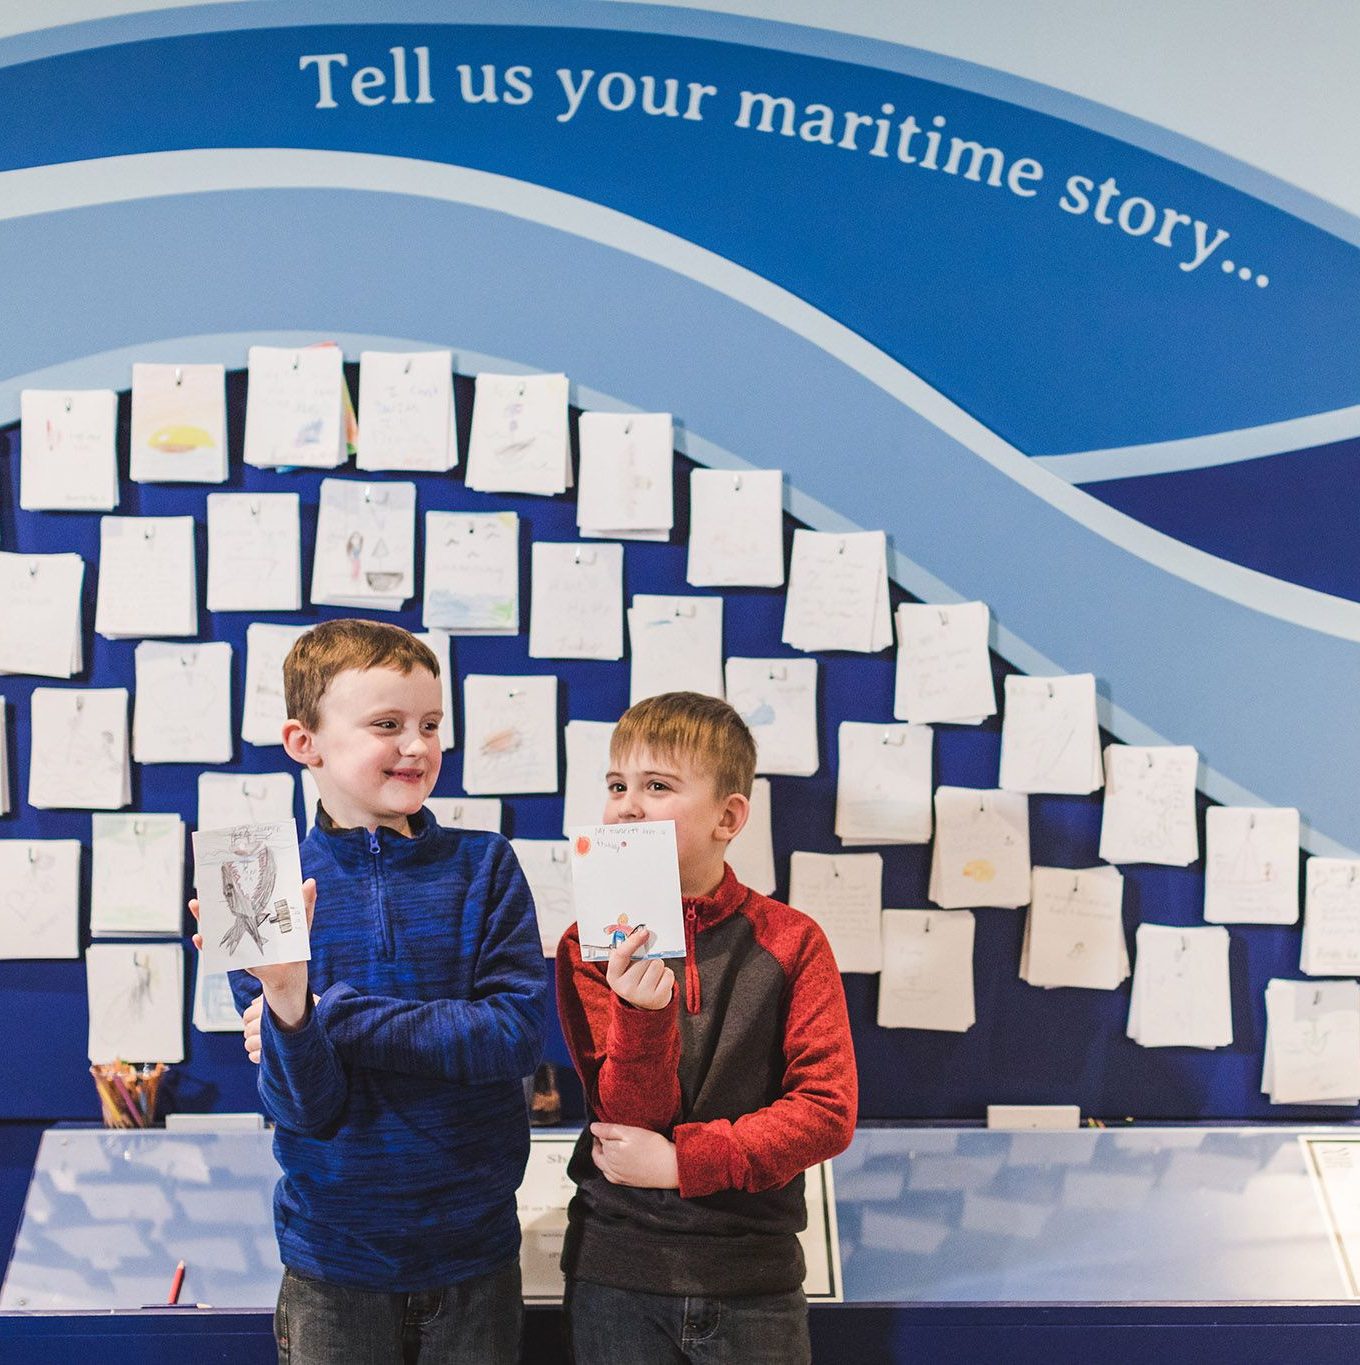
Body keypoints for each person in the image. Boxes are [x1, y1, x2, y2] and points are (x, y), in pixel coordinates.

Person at [190, 618, 546, 1364]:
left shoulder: (486, 866)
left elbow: (510, 1034)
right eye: (387, 724)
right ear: (304, 742)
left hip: (474, 1256)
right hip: (333, 1269)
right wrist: (290, 1004)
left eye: (431, 723)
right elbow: (304, 1108)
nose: (417, 745)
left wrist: (334, 1014)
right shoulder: (257, 883)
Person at [555, 691, 858, 1364]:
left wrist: (679, 1161)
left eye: (657, 785)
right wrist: (641, 1016)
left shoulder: (793, 940)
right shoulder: (585, 945)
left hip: (753, 1280)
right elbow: (625, 1116)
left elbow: (826, 1111)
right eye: (616, 784)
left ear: (728, 816)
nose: (628, 804)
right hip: (620, 1273)